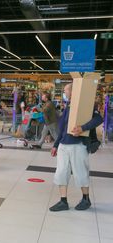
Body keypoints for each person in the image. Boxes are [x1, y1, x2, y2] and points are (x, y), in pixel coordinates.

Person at [49, 83, 103, 212]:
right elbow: (62, 129)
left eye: (66, 90)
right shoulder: (68, 105)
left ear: (73, 92)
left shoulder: (85, 105)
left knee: (81, 173)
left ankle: (86, 199)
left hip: (78, 145)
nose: (65, 93)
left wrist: (82, 128)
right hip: (63, 145)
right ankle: (63, 201)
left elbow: (98, 119)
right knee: (61, 173)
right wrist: (56, 145)